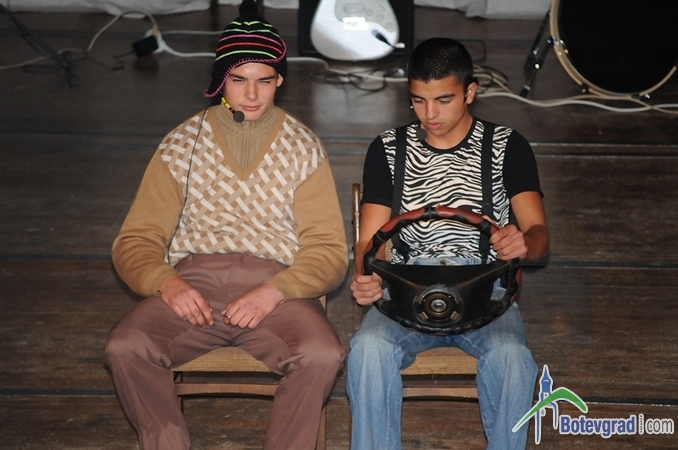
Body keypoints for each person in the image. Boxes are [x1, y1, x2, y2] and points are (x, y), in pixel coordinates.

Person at [104, 2, 348, 449]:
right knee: (126, 346)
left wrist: (276, 290)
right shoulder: (181, 143)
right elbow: (136, 239)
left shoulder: (303, 147)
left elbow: (329, 250)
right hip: (194, 284)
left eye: (264, 80)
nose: (251, 94)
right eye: (238, 79)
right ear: (220, 80)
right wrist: (167, 283)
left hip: (276, 289)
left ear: (280, 81)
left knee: (321, 354)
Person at [347, 37, 550, 450]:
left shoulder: (507, 146)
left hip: (486, 290)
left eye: (443, 100)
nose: (430, 114)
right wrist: (367, 276)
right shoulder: (388, 150)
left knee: (513, 359)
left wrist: (523, 244)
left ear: (469, 92)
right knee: (367, 350)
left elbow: (539, 235)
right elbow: (370, 240)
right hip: (406, 288)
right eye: (418, 101)